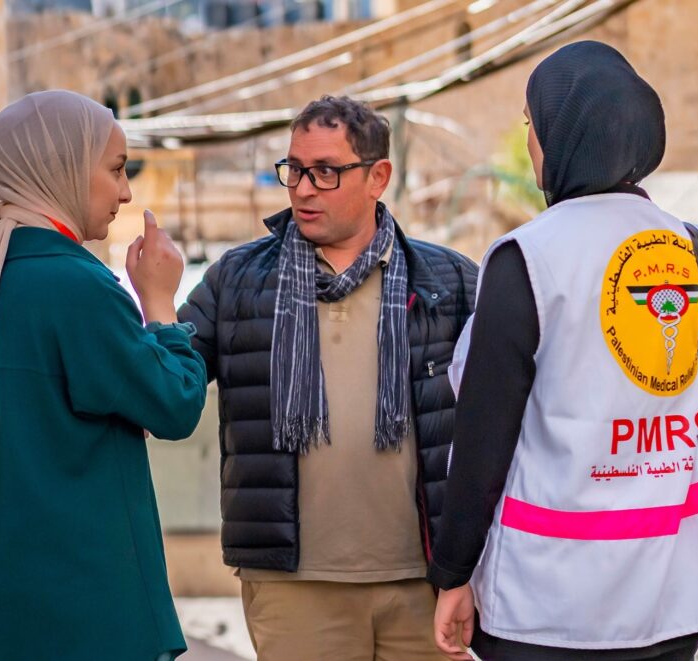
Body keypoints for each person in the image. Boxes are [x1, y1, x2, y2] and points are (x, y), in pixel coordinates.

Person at [429, 42, 698, 661]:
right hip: (677, 586)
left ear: (562, 132)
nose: (529, 143)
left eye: (531, 124)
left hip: (549, 598)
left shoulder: (527, 259)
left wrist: (452, 573)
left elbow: (483, 436)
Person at [177, 95, 477, 659]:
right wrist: (150, 301)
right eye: (294, 170)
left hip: (424, 581)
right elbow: (169, 388)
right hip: (293, 589)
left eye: (326, 172)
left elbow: (501, 415)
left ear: (378, 176)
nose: (303, 189)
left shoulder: (452, 282)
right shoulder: (236, 281)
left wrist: (465, 565)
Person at [0, 90, 207, 660]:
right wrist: (162, 305)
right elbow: (176, 404)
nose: (125, 193)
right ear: (62, 169)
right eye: (117, 169)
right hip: (92, 608)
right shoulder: (80, 290)